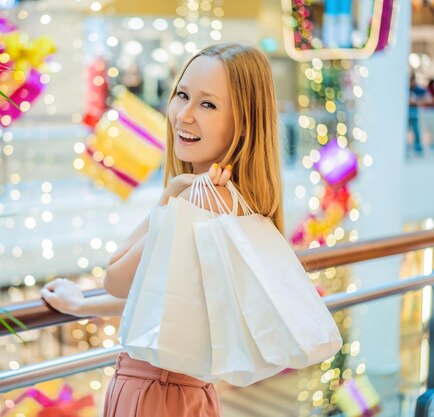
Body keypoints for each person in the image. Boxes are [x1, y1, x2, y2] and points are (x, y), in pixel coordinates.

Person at [42, 42, 283, 417]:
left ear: (244, 121)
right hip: (182, 395)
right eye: (182, 95)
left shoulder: (200, 199)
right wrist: (81, 305)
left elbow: (116, 277)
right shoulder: (240, 199)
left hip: (157, 396)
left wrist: (170, 197)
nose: (184, 115)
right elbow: (161, 293)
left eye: (208, 104)